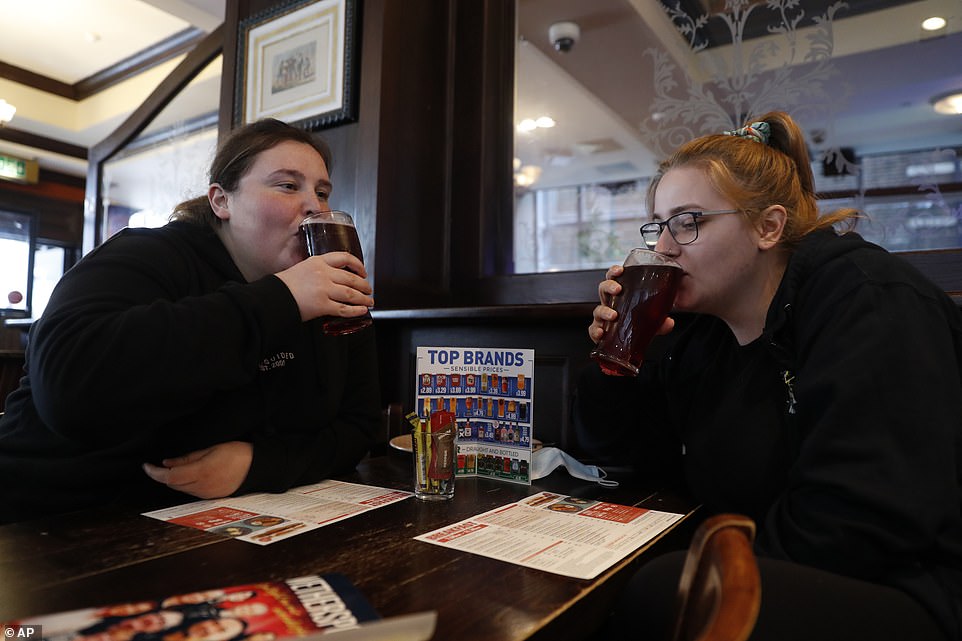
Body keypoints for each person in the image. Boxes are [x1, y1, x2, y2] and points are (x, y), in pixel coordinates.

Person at [577, 111, 962, 641]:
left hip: (912, 588)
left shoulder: (867, 299)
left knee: (663, 590)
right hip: (778, 559)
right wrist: (614, 364)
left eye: (689, 222)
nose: (664, 247)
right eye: (659, 225)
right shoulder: (697, 331)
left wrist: (712, 563)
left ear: (768, 227)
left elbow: (861, 522)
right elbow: (626, 458)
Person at [0, 118, 381, 523]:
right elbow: (68, 386)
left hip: (196, 532)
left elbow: (359, 428)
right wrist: (283, 299)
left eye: (322, 192)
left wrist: (260, 464)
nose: (314, 206)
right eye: (288, 185)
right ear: (222, 201)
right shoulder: (149, 255)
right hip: (40, 523)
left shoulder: (332, 298)